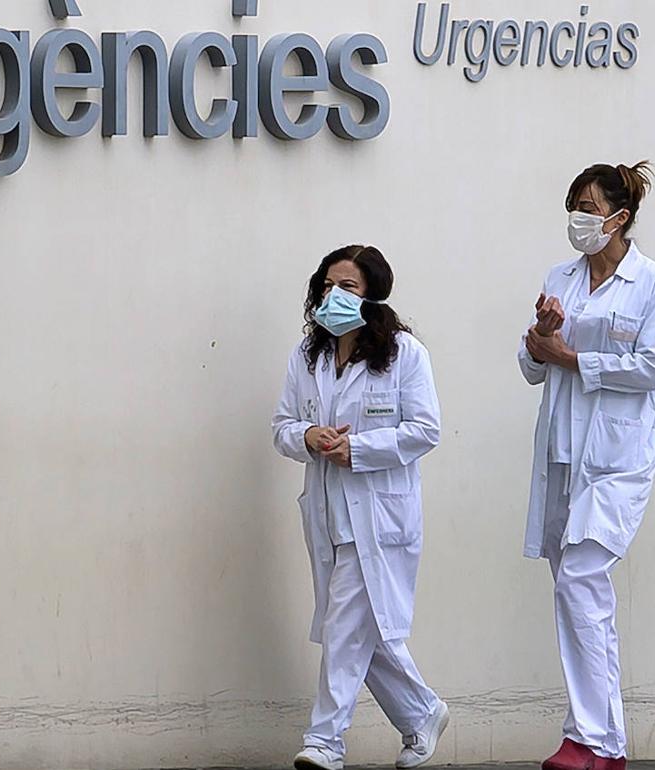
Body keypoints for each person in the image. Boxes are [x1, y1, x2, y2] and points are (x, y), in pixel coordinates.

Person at [518, 162, 655, 770]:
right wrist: (543, 335)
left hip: (616, 460)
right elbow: (531, 363)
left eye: (589, 206)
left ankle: (585, 737)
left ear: (621, 217)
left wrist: (572, 356)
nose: (579, 219)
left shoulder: (653, 282)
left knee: (580, 579)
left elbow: (652, 366)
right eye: (574, 206)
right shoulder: (559, 275)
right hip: (561, 454)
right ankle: (604, 742)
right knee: (583, 594)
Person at [272, 245, 450, 770]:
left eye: (347, 287)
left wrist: (360, 449)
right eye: (328, 285)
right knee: (358, 631)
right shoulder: (309, 356)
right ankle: (422, 713)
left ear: (372, 295)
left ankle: (324, 741)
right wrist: (308, 435)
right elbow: (281, 427)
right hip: (328, 515)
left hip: (379, 516)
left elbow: (426, 430)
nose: (334, 295)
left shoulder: (404, 355)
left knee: (345, 628)